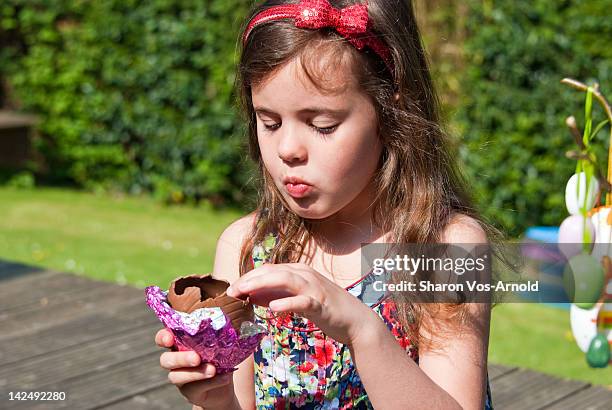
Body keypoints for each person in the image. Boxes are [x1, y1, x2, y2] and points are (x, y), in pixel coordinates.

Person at [155, 0, 499, 408]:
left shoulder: (445, 247)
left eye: (322, 126)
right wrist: (216, 398)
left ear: (392, 113)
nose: (287, 149)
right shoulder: (247, 247)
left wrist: (361, 330)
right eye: (269, 122)